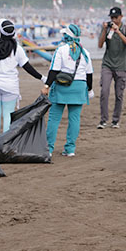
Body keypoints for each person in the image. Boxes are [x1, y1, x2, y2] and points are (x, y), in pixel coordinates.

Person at [0, 19, 47, 139]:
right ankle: (5, 143)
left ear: (0, 31)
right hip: (10, 86)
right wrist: (42, 78)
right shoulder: (17, 48)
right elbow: (27, 67)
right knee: (8, 115)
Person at [43, 24, 93, 156]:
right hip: (79, 87)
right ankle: (70, 149)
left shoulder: (61, 50)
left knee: (54, 118)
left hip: (62, 87)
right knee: (74, 119)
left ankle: (49, 149)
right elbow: (89, 74)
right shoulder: (85, 52)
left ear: (67, 35)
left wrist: (47, 86)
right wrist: (89, 90)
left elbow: (54, 70)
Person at [97, 7, 126, 129]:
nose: (113, 20)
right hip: (107, 64)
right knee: (104, 92)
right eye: (111, 17)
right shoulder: (107, 29)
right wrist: (104, 30)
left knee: (119, 95)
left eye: (115, 17)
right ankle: (103, 120)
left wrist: (118, 31)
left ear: (121, 17)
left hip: (121, 66)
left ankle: (115, 120)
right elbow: (100, 45)